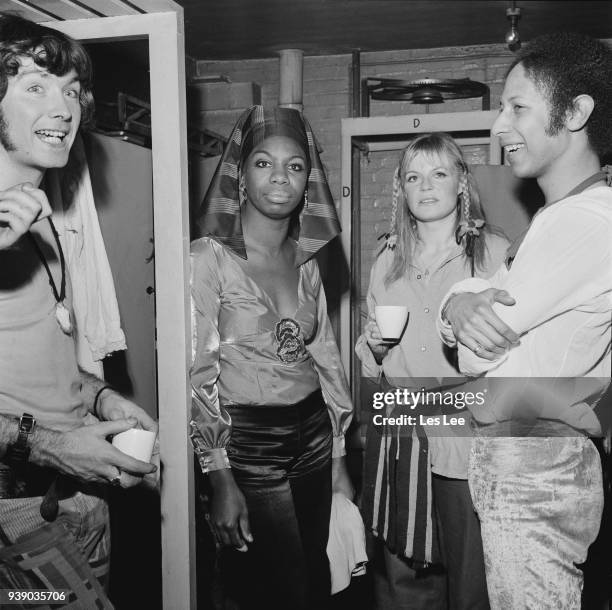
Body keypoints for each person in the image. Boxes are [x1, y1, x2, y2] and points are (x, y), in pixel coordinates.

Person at [437, 32, 612, 608]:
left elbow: (474, 355)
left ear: (577, 112)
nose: (499, 127)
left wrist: (462, 310)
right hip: (543, 458)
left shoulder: (582, 221)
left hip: (533, 464)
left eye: (518, 108)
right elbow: (479, 308)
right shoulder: (560, 218)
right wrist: (461, 302)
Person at [0, 13, 157, 607]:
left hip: (75, 499)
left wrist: (101, 398)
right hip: (12, 517)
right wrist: (57, 447)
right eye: (35, 86)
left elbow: (47, 358)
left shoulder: (40, 221)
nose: (64, 108)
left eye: (70, 89)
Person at [190, 105, 354, 610]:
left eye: (296, 165)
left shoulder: (306, 258)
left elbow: (325, 354)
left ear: (310, 181)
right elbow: (196, 372)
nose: (280, 177)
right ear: (240, 173)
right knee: (270, 589)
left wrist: (339, 455)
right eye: (264, 163)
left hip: (313, 435)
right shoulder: (206, 257)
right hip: (247, 444)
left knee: (313, 580)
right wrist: (217, 473)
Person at [356, 132, 509, 610]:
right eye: (413, 176)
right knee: (406, 581)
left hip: (468, 430)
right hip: (401, 429)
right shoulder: (385, 262)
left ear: (462, 182)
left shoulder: (494, 254)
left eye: (439, 173)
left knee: (472, 580)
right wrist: (375, 348)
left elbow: (518, 349)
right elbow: (366, 351)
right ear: (400, 187)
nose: (425, 186)